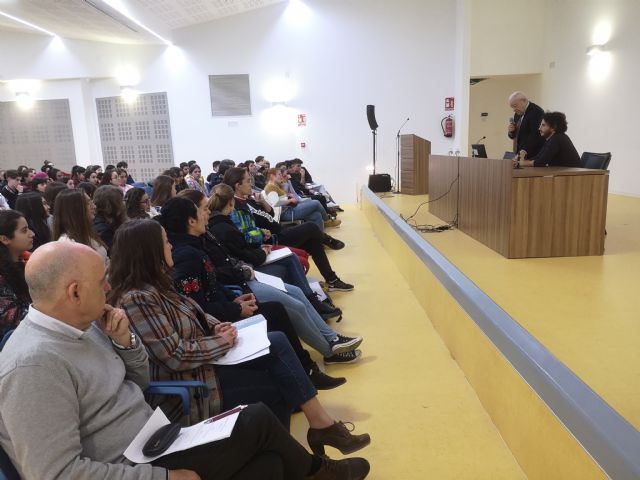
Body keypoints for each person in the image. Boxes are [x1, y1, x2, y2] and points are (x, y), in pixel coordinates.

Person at [0, 240, 370, 480]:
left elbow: (140, 383)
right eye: (101, 282)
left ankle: (315, 471)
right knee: (256, 418)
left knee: (269, 465)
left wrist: (126, 344)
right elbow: (55, 473)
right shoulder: (33, 366)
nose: (108, 288)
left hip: (155, 440)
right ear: (74, 292)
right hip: (134, 464)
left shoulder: (85, 325)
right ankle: (319, 472)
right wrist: (162, 478)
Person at [109, 220, 370, 455]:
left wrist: (218, 326)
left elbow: (196, 313)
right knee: (275, 386)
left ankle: (319, 426)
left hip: (204, 363)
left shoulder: (158, 284)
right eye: (165, 242)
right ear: (150, 252)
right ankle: (295, 455)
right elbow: (175, 356)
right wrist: (223, 340)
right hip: (192, 382)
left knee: (277, 340)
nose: (171, 246)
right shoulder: (138, 298)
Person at [180, 188, 362, 367]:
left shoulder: (206, 235)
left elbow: (229, 260)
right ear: (191, 218)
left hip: (243, 277)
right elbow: (217, 278)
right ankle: (330, 351)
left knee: (296, 290)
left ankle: (332, 337)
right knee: (294, 304)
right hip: (240, 285)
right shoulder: (202, 242)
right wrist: (242, 280)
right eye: (204, 208)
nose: (209, 211)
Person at [53, 188, 108, 265]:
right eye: (88, 203)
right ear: (75, 210)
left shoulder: (86, 232)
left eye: (91, 202)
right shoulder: (67, 244)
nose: (94, 206)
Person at [0, 210, 33, 336]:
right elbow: (11, 317)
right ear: (5, 239)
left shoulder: (25, 261)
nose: (32, 234)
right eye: (24, 231)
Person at [515, 111, 581, 168]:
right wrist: (520, 160)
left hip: (575, 176)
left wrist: (522, 163)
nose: (539, 128)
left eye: (543, 125)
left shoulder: (557, 139)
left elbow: (540, 162)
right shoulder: (553, 138)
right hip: (566, 174)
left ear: (553, 127)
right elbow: (538, 157)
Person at [507, 91, 545, 158]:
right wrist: (511, 131)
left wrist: (522, 152)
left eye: (515, 106)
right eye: (512, 107)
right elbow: (517, 136)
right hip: (519, 154)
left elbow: (535, 135)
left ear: (524, 101)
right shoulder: (517, 113)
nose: (514, 109)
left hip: (532, 155)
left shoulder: (536, 112)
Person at [93, 185, 127, 252]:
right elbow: (117, 252)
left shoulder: (113, 219)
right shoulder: (102, 229)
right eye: (122, 200)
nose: (124, 203)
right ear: (113, 205)